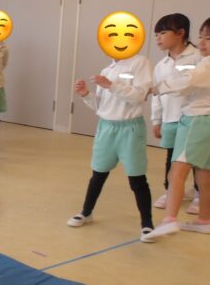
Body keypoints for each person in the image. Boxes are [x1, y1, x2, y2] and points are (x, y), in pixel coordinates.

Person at [68, 42, 154, 240]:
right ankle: (86, 212)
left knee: (136, 177)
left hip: (130, 128)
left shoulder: (140, 62)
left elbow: (139, 95)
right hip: (106, 127)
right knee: (98, 173)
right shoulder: (107, 69)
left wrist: (110, 85)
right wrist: (85, 95)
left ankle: (147, 224)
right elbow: (101, 106)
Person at [143, 18, 210, 240]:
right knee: (204, 174)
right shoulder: (199, 61)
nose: (202, 42)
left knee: (177, 172)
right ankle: (205, 220)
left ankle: (169, 220)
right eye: (201, 37)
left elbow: (186, 81)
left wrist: (155, 88)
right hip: (202, 120)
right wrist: (157, 118)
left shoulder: (205, 64)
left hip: (196, 120)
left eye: (208, 38)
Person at [150, 13, 202, 212]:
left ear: (180, 33)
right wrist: (156, 120)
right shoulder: (161, 65)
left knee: (196, 158)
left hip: (193, 117)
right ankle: (170, 190)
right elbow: (157, 94)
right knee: (172, 157)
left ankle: (199, 193)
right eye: (156, 35)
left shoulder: (198, 57)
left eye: (163, 33)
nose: (158, 38)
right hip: (170, 118)